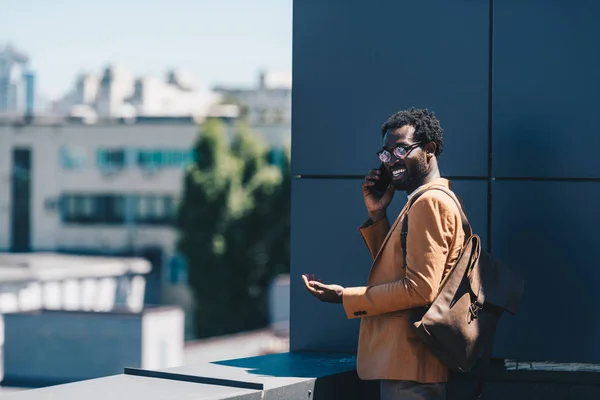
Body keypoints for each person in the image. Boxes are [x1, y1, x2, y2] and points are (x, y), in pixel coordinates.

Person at [302, 108, 466, 400]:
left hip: (411, 368)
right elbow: (403, 270)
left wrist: (345, 297)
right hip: (410, 365)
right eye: (386, 154)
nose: (392, 161)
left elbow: (420, 289)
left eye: (401, 149)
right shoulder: (425, 201)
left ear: (429, 150)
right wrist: (378, 215)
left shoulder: (429, 203)